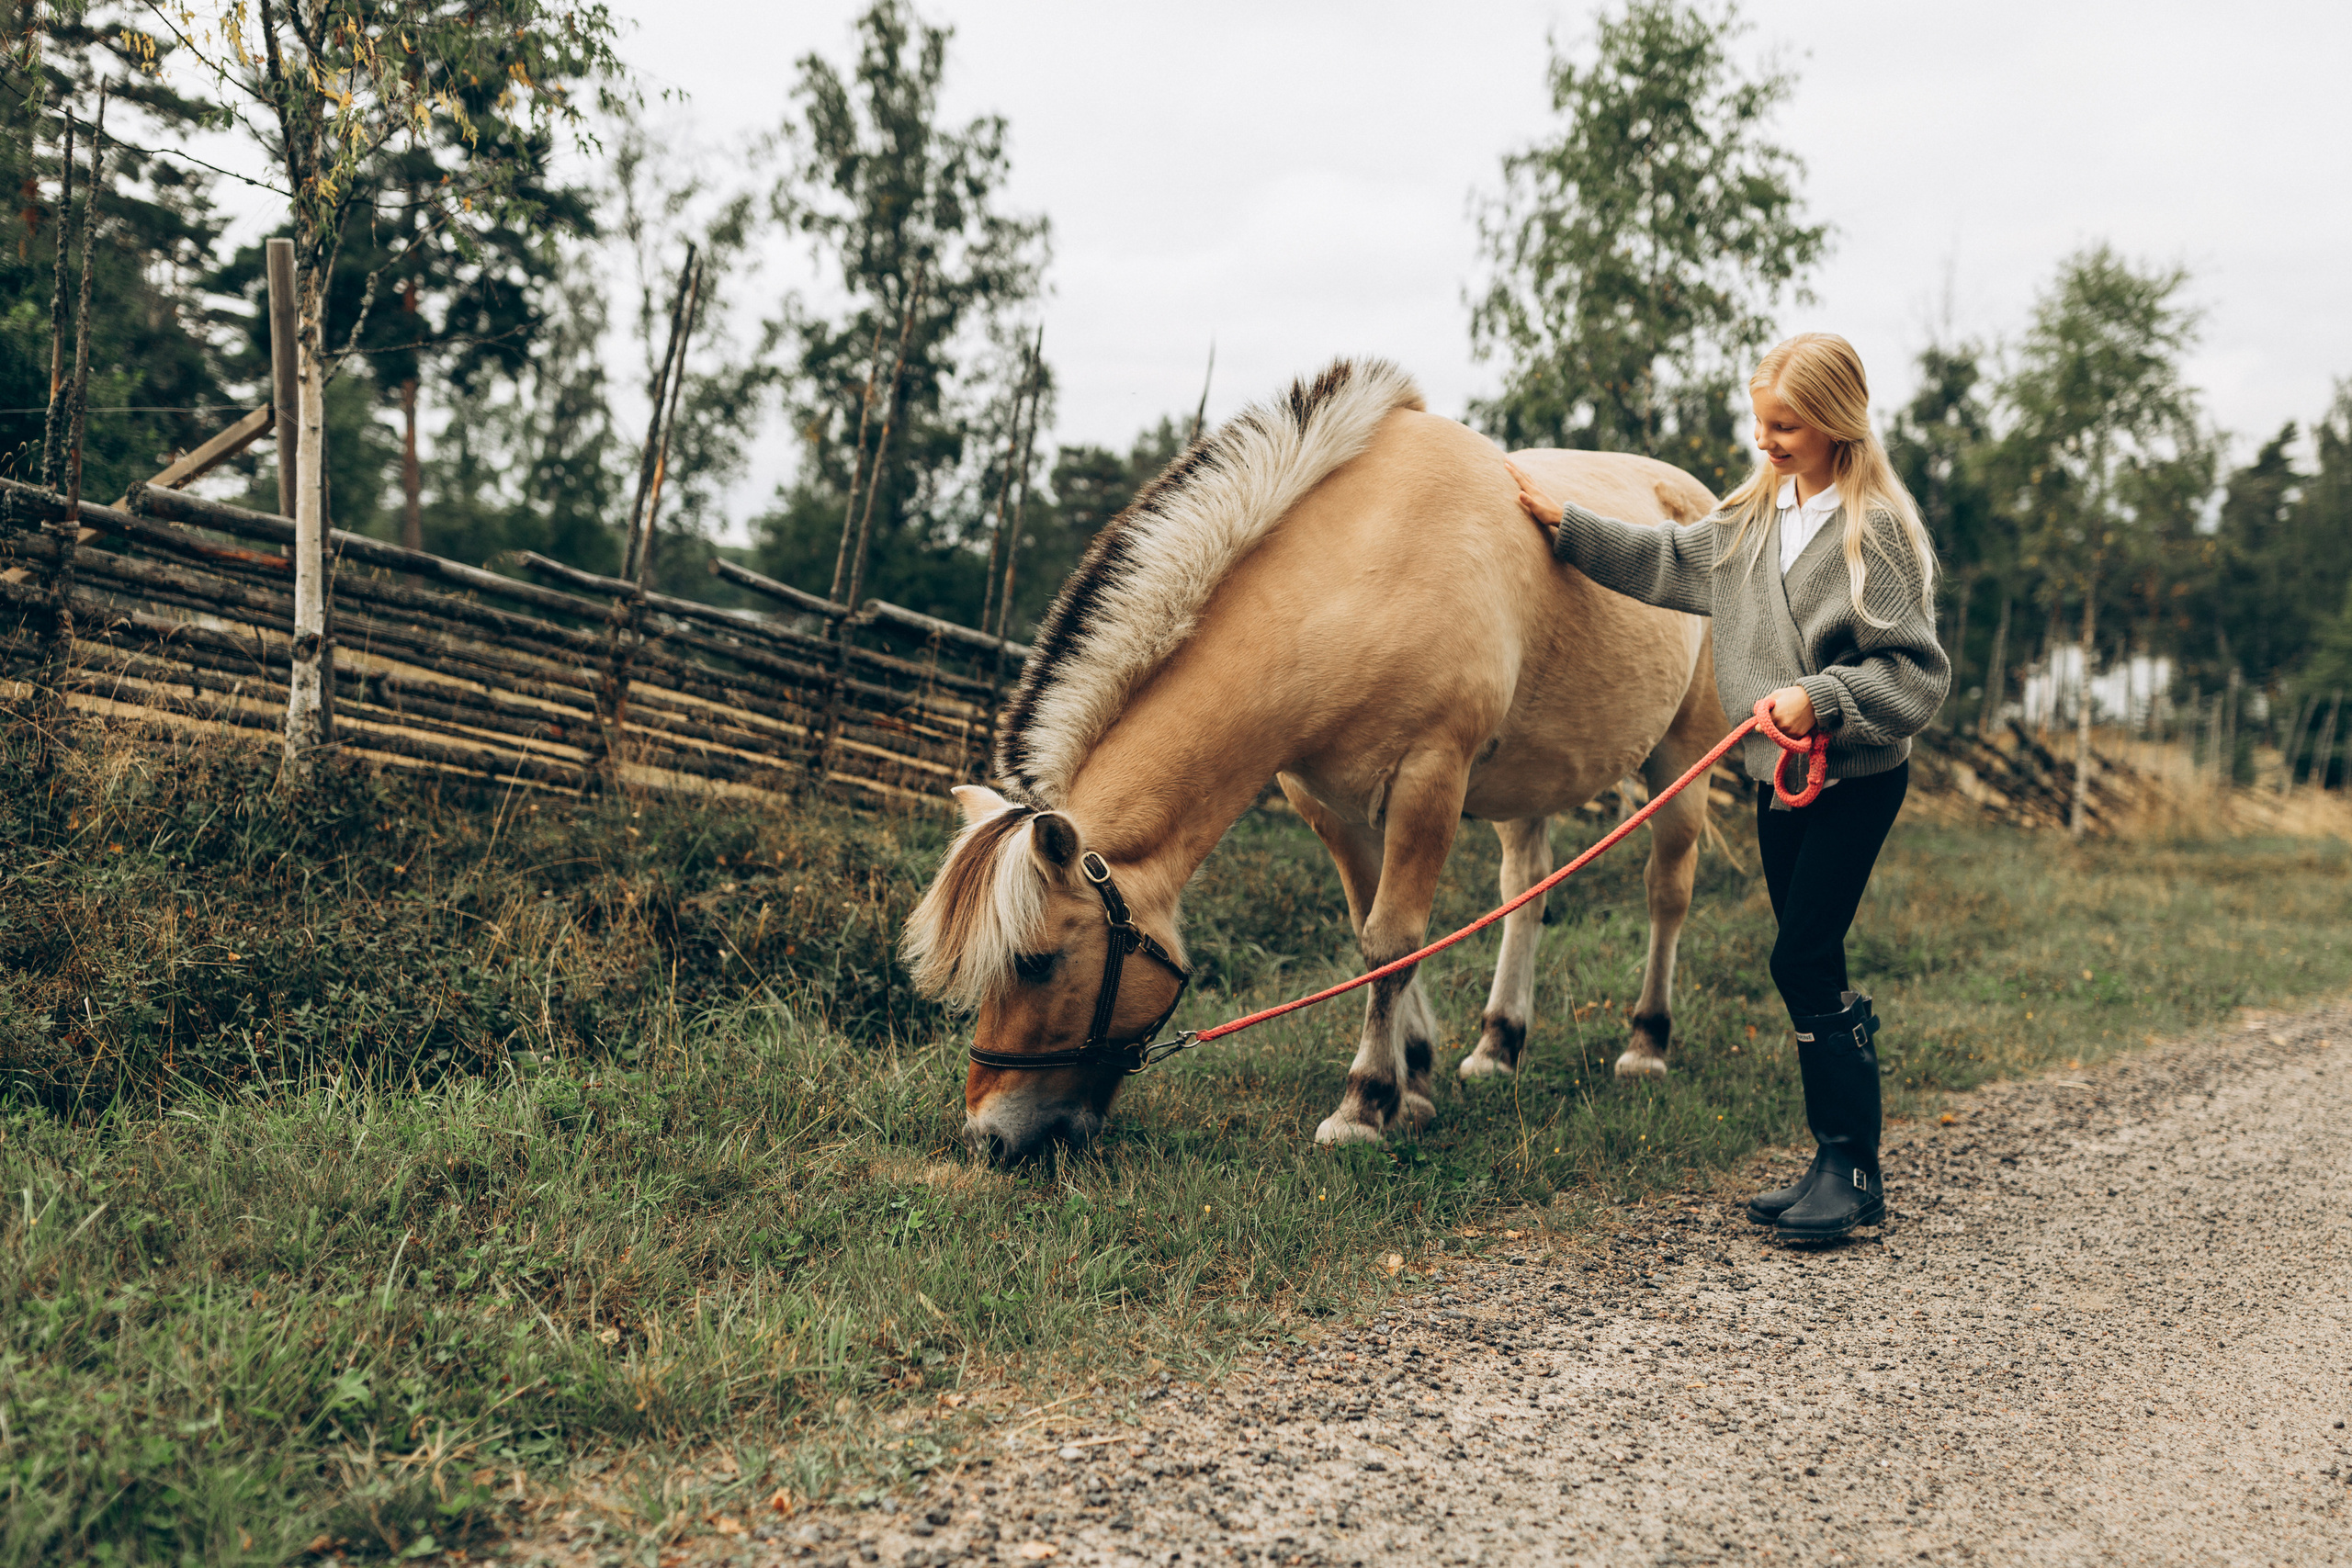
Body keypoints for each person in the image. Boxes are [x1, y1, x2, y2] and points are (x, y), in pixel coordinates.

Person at [1507, 333, 1950, 1242]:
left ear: (1835, 423)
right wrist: (1567, 526)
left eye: (1784, 425)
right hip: (1774, 775)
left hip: (1854, 779)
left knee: (1802, 957)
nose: (1766, 440)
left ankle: (1851, 1168)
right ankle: (1837, 1160)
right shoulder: (1755, 519)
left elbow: (1914, 679)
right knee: (1802, 957)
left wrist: (1820, 697)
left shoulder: (1877, 538)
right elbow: (1665, 561)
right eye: (1760, 422)